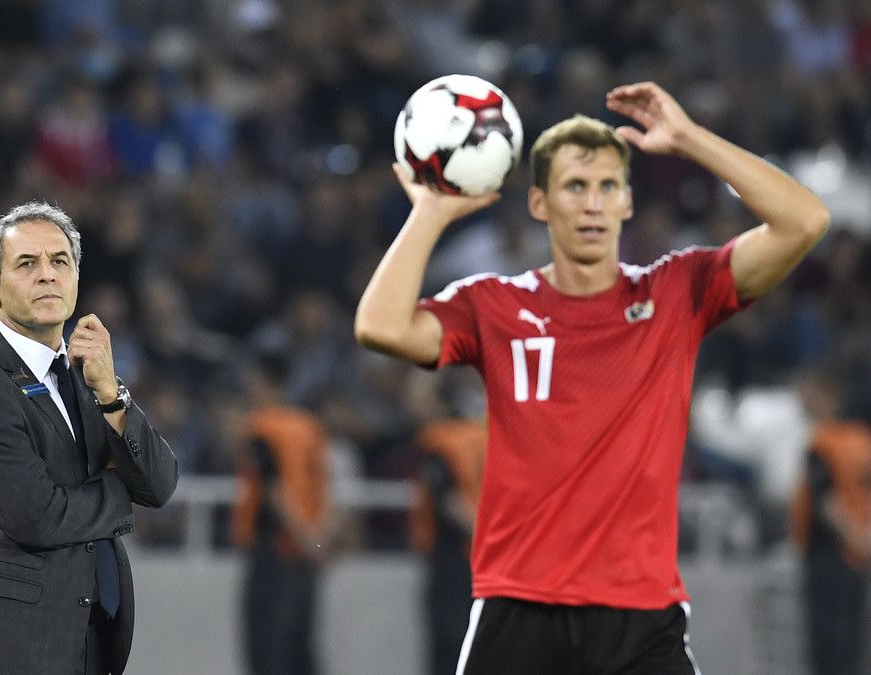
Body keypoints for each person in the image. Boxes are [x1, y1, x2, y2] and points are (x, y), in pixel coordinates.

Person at [354, 81, 830, 673]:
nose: (592, 204)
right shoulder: (493, 305)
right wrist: (428, 214)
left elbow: (805, 221)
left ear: (627, 202)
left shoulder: (676, 293)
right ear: (539, 204)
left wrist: (691, 140)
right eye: (575, 186)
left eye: (608, 187)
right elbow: (379, 327)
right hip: (521, 608)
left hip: (641, 616)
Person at [0, 202, 179, 675]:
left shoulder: (88, 374)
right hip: (8, 650)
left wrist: (111, 394)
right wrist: (119, 494)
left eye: (60, 261)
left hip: (86, 643)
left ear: (76, 276)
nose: (48, 274)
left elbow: (161, 485)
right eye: (27, 263)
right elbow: (38, 518)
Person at [231, 366, 344, 675]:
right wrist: (317, 544)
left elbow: (274, 492)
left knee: (269, 649)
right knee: (300, 649)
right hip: (305, 559)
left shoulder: (262, 430)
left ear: (265, 383)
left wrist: (307, 543)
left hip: (275, 552)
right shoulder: (311, 427)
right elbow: (325, 491)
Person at [789, 371, 871, 675]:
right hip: (858, 554)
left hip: (829, 551)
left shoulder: (823, 443)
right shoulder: (862, 440)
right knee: (852, 641)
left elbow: (826, 500)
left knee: (828, 642)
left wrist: (854, 537)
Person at [409, 415, 486, 675]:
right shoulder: (488, 438)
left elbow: (449, 500)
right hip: (481, 560)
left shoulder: (443, 443)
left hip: (456, 559)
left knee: (451, 646)